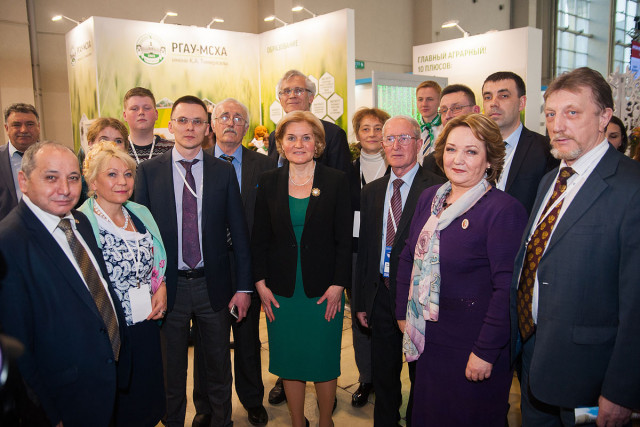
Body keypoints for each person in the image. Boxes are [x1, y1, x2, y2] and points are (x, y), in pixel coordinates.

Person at [511, 67, 640, 426]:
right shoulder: (551, 180)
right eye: (551, 114)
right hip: (534, 356)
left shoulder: (631, 187)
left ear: (604, 117)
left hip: (590, 373)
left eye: (572, 112)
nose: (558, 125)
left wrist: (622, 389)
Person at [394, 113, 527, 425]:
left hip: (473, 344)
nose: (458, 159)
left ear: (490, 160)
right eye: (452, 149)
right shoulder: (430, 198)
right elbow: (408, 255)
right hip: (429, 338)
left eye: (471, 151)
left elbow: (507, 289)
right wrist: (402, 314)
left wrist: (485, 351)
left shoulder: (504, 210)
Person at [135, 95, 252, 426]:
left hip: (212, 285)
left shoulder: (222, 172)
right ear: (170, 125)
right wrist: (149, 287)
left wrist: (244, 288)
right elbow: (142, 237)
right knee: (171, 372)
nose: (190, 127)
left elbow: (239, 233)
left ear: (208, 128)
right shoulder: (148, 172)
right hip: (166, 289)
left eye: (197, 121)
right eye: (183, 121)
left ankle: (221, 421)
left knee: (218, 368)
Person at [0, 141, 131, 426]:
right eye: (51, 177)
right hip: (63, 400)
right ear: (23, 181)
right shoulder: (9, 244)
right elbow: (17, 348)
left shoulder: (79, 221)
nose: (65, 189)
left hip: (102, 381)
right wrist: (49, 415)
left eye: (73, 178)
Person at [251, 111, 352, 427]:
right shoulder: (269, 181)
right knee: (290, 360)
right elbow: (259, 238)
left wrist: (339, 284)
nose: (299, 144)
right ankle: (297, 421)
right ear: (281, 144)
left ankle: (325, 421)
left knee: (323, 359)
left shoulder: (336, 181)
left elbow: (344, 240)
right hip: (281, 290)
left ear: (318, 143)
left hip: (324, 290)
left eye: (306, 137)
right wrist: (260, 283)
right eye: (291, 138)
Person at [354, 115, 445, 426]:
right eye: (390, 139)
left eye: (404, 138)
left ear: (418, 144)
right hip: (381, 294)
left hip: (418, 297)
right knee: (384, 373)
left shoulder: (438, 188)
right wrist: (361, 301)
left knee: (422, 374)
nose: (396, 145)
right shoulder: (372, 191)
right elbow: (366, 250)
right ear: (382, 145)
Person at [191, 98, 274, 427]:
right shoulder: (197, 162)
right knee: (206, 340)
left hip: (247, 265)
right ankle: (206, 405)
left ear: (246, 127)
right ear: (212, 124)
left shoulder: (265, 165)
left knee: (247, 337)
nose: (231, 122)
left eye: (238, 118)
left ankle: (252, 399)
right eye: (224, 116)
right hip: (206, 265)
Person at [78, 140, 167, 427]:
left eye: (128, 174)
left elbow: (157, 260)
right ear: (93, 182)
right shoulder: (81, 223)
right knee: (118, 407)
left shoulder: (140, 213)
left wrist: (161, 287)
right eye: (112, 174)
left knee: (147, 401)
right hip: (110, 332)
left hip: (146, 324)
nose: (122, 181)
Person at [349, 107, 390, 408]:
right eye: (366, 128)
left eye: (378, 128)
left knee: (388, 315)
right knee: (359, 314)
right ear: (357, 134)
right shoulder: (346, 172)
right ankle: (366, 377)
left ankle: (387, 377)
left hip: (388, 251)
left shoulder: (399, 166)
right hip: (355, 252)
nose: (373, 134)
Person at [482, 71, 559, 214]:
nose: (493, 103)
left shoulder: (546, 150)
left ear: (521, 103)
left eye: (503, 96)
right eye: (488, 97)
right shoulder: (474, 148)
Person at [266, 69, 352, 174]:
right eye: (287, 91)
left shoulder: (333, 134)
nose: (292, 95)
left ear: (311, 97)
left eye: (298, 90)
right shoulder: (274, 136)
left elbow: (343, 179)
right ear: (280, 100)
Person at [423, 84, 481, 178]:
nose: (448, 115)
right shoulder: (432, 162)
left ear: (475, 111)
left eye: (456, 108)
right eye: (444, 110)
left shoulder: (492, 152)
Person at [78, 117, 131, 206]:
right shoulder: (79, 186)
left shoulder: (130, 183)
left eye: (118, 141)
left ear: (126, 147)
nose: (111, 144)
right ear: (90, 144)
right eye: (104, 140)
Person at [0, 103, 40, 220]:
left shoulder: (55, 157)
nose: (23, 130)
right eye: (16, 125)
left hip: (48, 226)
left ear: (38, 126)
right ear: (7, 128)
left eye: (30, 124)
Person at [122, 87, 173, 164]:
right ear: (125, 115)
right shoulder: (118, 150)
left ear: (156, 114)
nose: (141, 112)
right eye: (134, 109)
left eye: (147, 108)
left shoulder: (172, 150)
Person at [415, 81, 443, 163]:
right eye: (420, 99)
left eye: (430, 99)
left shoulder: (446, 128)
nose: (424, 104)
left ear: (440, 101)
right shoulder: (413, 130)